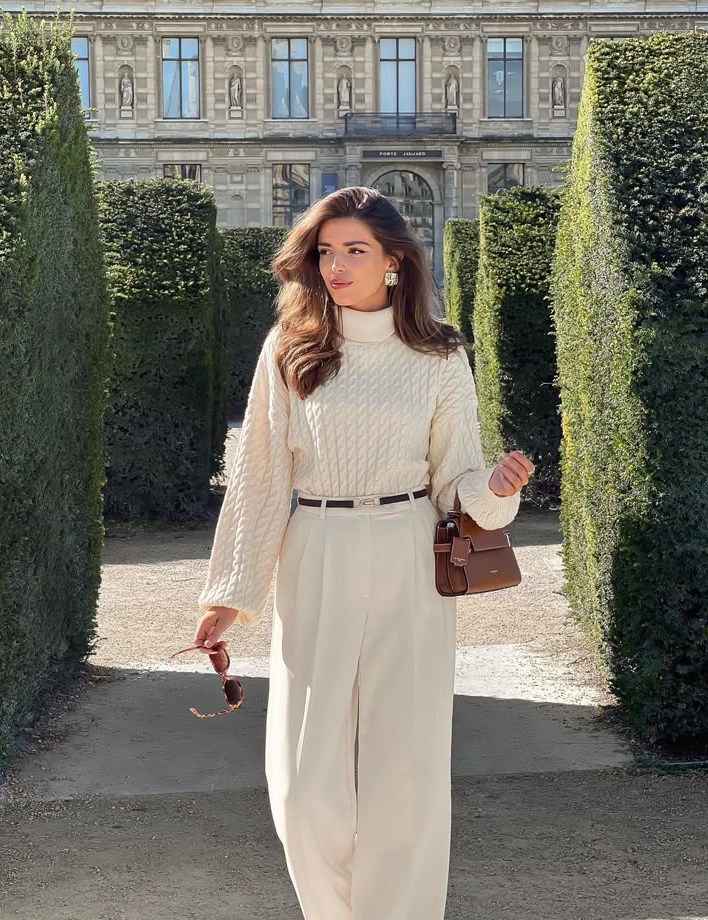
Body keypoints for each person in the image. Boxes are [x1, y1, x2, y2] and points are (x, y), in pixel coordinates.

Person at [194, 186, 534, 920]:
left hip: (410, 551)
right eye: (325, 251)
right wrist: (229, 595)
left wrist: (497, 490)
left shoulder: (439, 353)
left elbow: (458, 480)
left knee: (406, 772)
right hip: (316, 549)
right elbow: (260, 476)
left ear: (394, 261)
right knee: (303, 783)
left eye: (355, 250)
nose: (337, 266)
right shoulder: (291, 346)